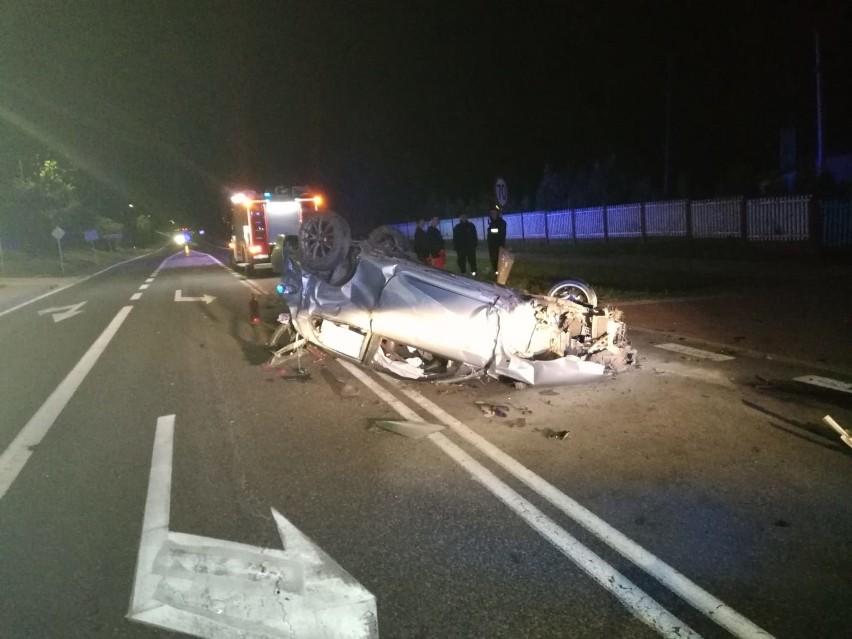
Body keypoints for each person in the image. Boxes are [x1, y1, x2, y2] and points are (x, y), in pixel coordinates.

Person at [486, 208, 507, 275]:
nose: (493, 214)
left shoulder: (501, 222)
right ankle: (496, 273)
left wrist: (492, 231)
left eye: (494, 213)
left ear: (497, 213)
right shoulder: (491, 223)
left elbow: (500, 233)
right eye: (491, 213)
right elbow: (490, 234)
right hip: (491, 246)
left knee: (499, 260)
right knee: (493, 260)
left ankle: (501, 275)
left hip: (499, 245)